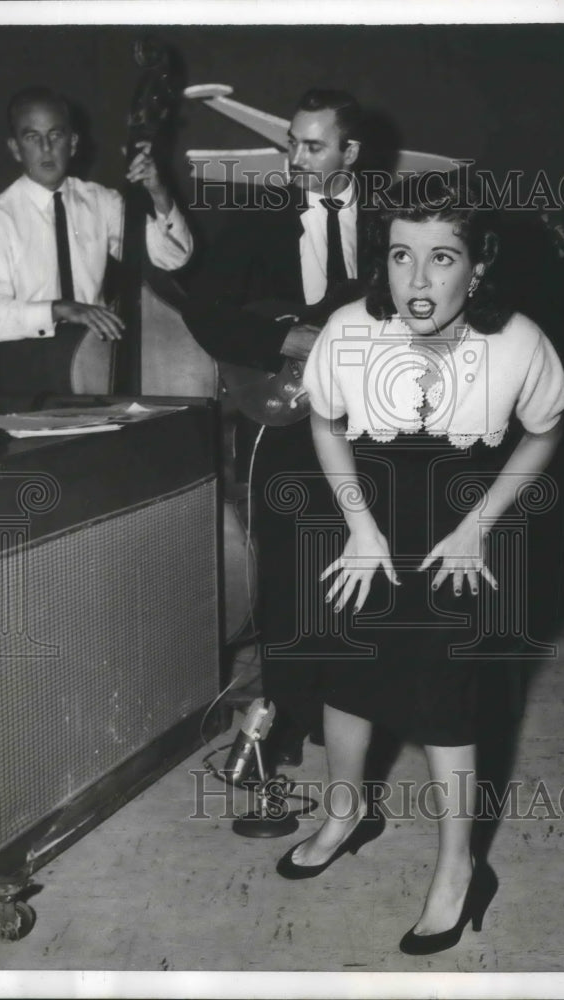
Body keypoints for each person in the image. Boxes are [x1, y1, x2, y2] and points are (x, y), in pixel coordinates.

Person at [278, 172, 564, 957]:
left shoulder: (517, 343)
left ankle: (459, 867)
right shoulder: (347, 329)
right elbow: (326, 421)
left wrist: (479, 525)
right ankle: (345, 812)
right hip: (365, 520)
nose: (417, 278)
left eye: (441, 258)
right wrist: (358, 528)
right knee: (346, 667)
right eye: (401, 255)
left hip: (462, 531)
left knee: (446, 694)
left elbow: (544, 432)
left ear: (477, 268)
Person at [183, 88, 373, 769]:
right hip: (286, 418)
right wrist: (281, 338)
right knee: (290, 572)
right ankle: (288, 713)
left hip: (372, 419)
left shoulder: (393, 225)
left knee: (363, 565)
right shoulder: (259, 220)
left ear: (351, 151)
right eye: (290, 142)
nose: (294, 158)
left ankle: (355, 712)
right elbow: (202, 310)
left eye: (312, 146)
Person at [0, 85, 192, 354]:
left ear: (73, 143)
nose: (46, 147)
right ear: (15, 149)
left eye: (55, 134)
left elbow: (172, 258)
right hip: (31, 366)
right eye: (32, 137)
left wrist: (158, 192)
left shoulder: (100, 201)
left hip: (93, 358)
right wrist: (59, 309)